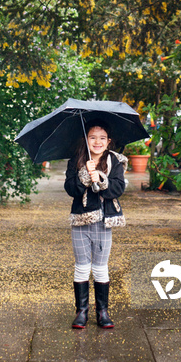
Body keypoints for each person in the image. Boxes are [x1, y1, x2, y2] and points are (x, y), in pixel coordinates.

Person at [64, 119, 127, 329]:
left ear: (108, 141)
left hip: (103, 222)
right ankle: (81, 312)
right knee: (81, 266)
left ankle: (102, 312)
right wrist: (83, 175)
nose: (97, 142)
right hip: (81, 221)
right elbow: (70, 189)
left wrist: (100, 179)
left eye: (102, 138)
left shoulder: (115, 161)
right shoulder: (77, 160)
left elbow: (118, 188)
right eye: (92, 137)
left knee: (100, 268)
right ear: (86, 139)